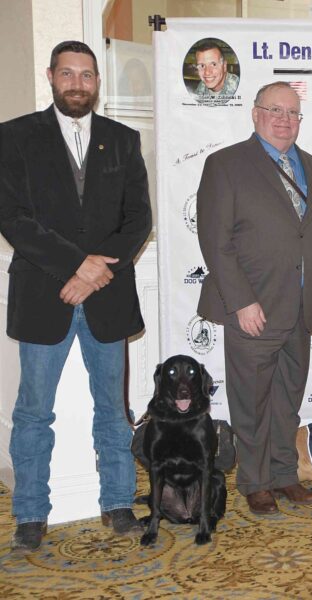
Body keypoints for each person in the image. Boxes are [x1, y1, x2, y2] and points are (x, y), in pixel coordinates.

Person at [0, 41, 152, 551]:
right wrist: (74, 265)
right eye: (68, 74)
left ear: (96, 83)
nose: (77, 84)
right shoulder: (15, 136)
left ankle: (117, 503)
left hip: (106, 299)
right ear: (50, 76)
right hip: (45, 296)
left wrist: (93, 274)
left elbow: (138, 220)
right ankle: (29, 515)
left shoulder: (123, 140)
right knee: (33, 413)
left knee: (112, 409)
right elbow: (12, 217)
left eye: (87, 76)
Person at [197, 81, 312, 515]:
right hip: (252, 310)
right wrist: (241, 301)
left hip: (299, 311)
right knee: (252, 403)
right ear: (256, 113)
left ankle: (284, 475)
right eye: (275, 110)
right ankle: (255, 481)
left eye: (293, 113)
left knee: (287, 400)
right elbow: (215, 241)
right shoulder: (225, 165)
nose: (284, 120)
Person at [192, 41, 239, 106]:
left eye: (213, 64)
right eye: (202, 65)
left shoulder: (236, 87)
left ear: (224, 66)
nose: (207, 72)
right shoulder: (202, 85)